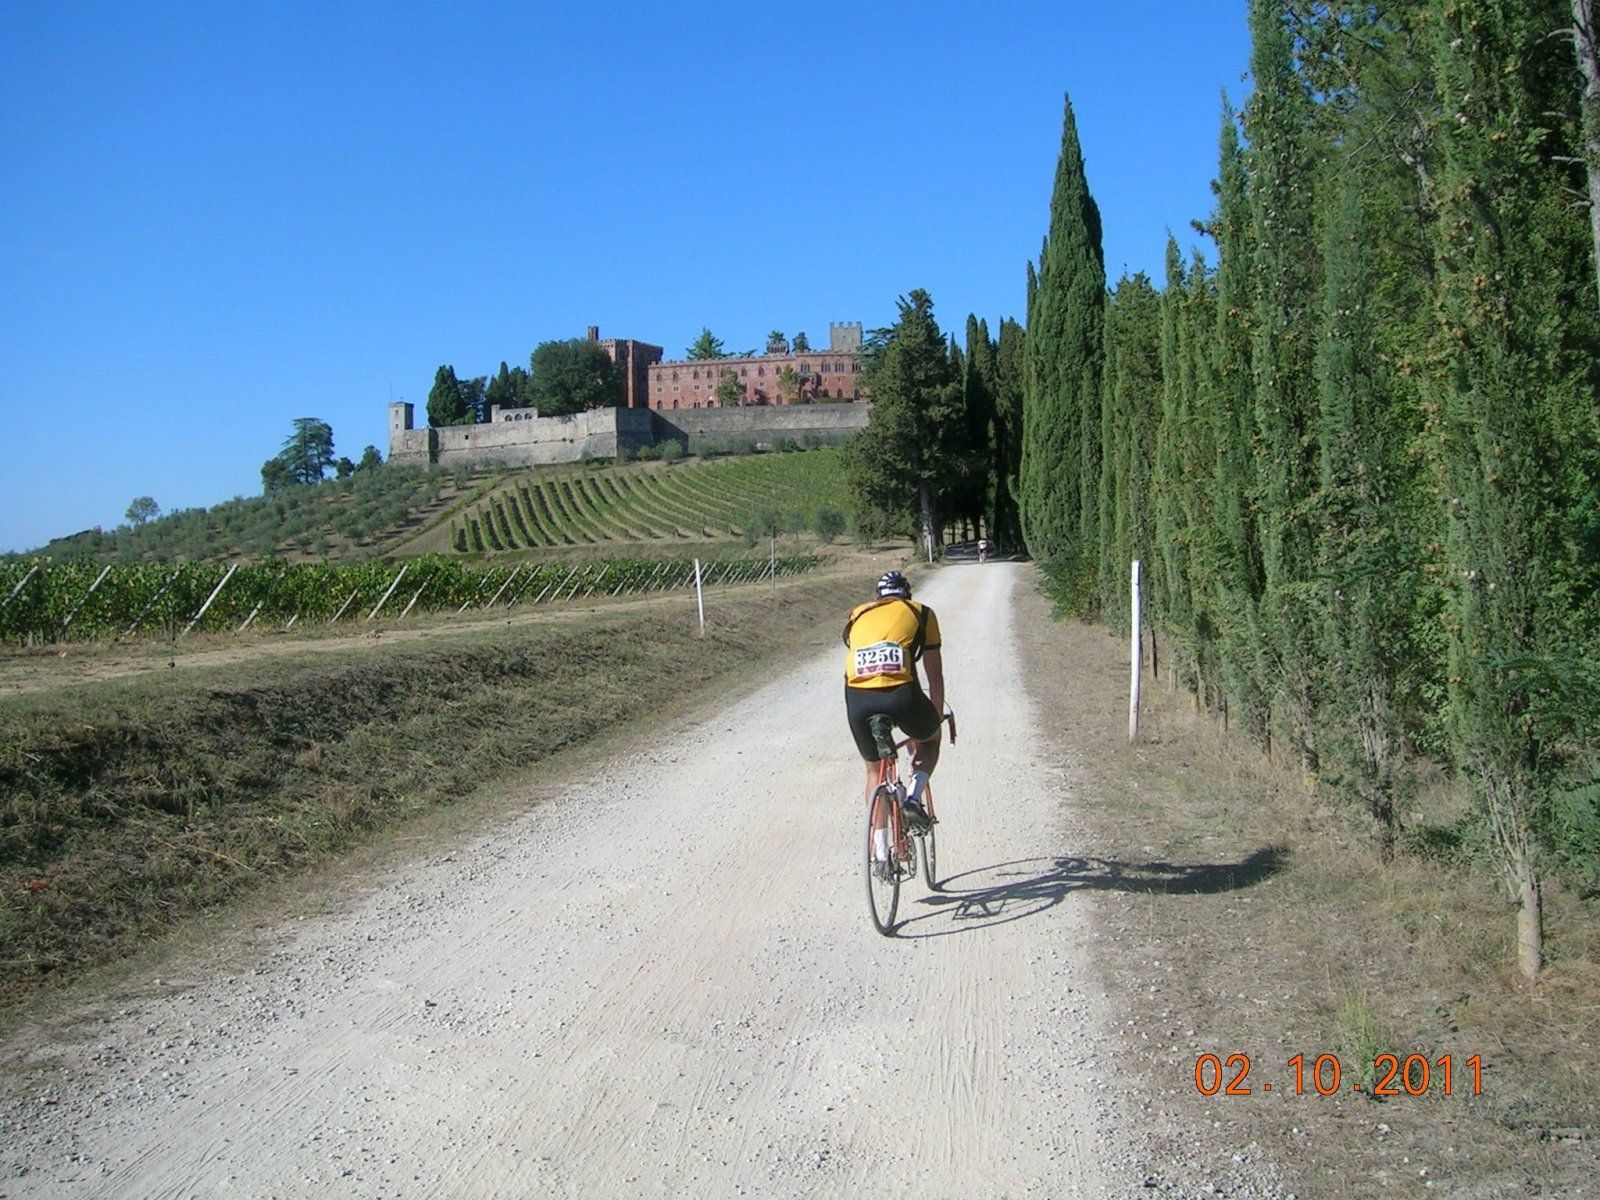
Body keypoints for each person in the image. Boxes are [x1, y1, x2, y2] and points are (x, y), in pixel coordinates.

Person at [843, 570, 945, 828]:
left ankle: (879, 851)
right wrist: (936, 716)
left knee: (874, 772)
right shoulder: (922, 612)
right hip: (902, 695)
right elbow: (934, 675)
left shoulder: (858, 614)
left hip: (857, 698)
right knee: (930, 740)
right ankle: (912, 798)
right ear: (906, 595)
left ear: (878, 598)